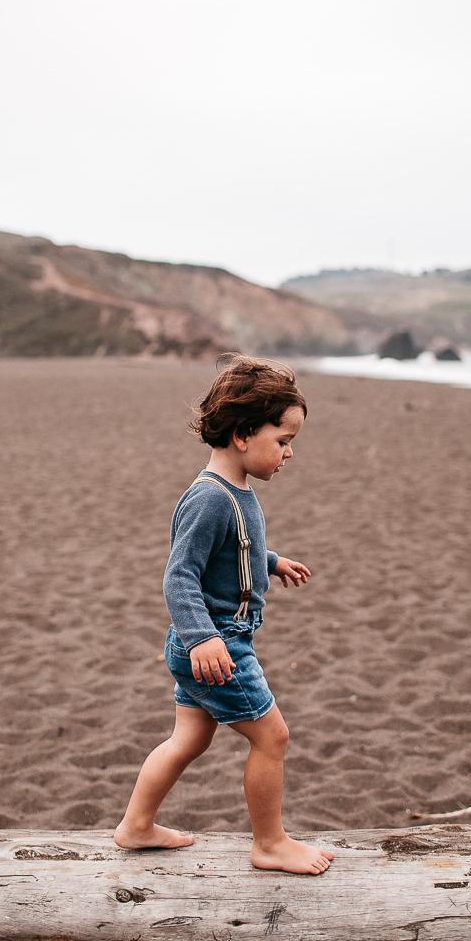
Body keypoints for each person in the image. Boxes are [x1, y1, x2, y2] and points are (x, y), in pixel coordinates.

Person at [114, 356, 334, 874]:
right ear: (242, 434)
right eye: (281, 439)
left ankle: (136, 826)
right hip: (216, 646)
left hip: (208, 643)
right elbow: (179, 576)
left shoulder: (237, 492)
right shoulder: (209, 499)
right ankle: (270, 843)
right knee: (272, 737)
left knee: (188, 738)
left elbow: (234, 550)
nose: (289, 451)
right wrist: (202, 638)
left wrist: (270, 562)